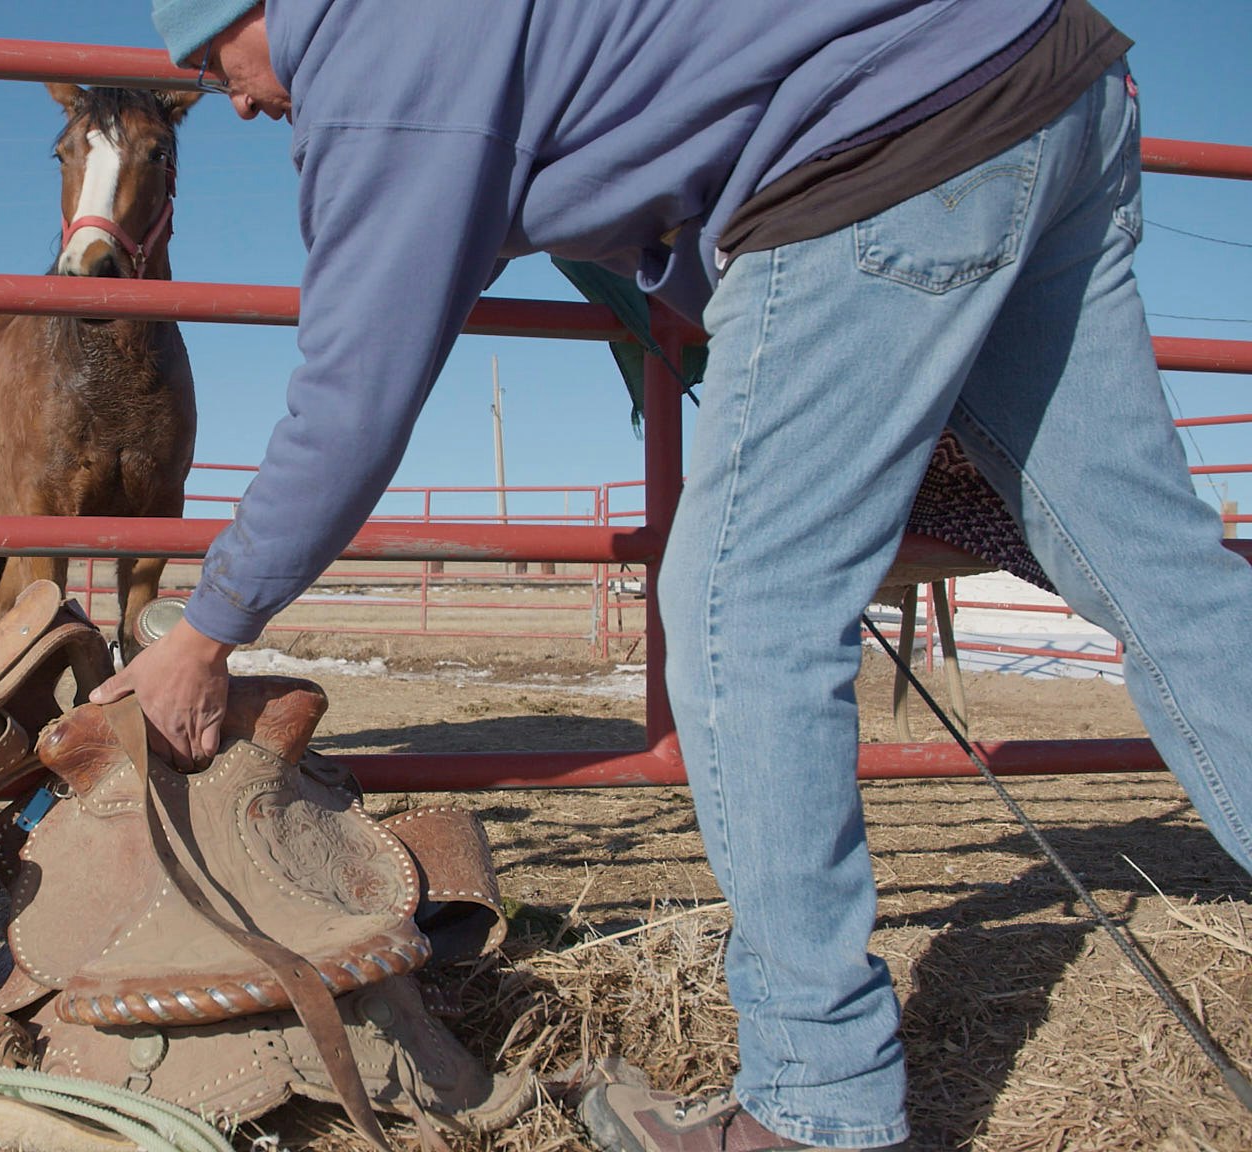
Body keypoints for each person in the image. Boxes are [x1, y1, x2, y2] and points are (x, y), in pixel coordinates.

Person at [92, 1, 1252, 1148]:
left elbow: (352, 399)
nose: (235, 99)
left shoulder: (370, 61)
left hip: (884, 137)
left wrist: (209, 627)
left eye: (216, 60)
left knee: (737, 617)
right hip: (1043, 69)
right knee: (1155, 566)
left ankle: (815, 1099)